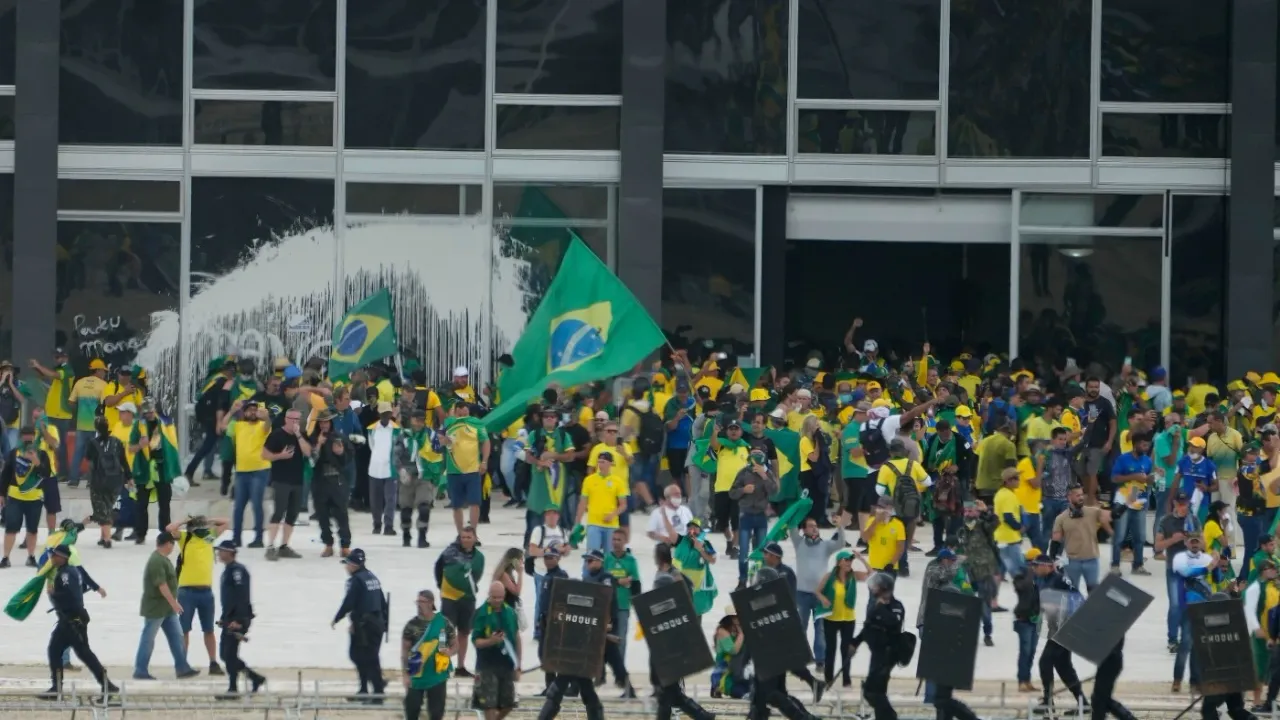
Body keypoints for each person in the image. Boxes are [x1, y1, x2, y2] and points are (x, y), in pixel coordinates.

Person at [43, 543, 117, 700]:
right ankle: (57, 688)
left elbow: (71, 596)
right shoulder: (70, 571)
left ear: (62, 557)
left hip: (72, 620)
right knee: (56, 650)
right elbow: (80, 589)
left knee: (84, 654)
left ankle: (108, 686)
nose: (52, 557)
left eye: (54, 555)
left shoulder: (65, 574)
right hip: (69, 619)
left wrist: (54, 594)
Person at [165, 515, 228, 677]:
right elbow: (170, 529)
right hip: (186, 592)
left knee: (209, 630)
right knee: (184, 630)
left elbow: (225, 522)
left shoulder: (208, 538)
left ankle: (213, 662)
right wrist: (185, 521)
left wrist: (207, 520)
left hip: (206, 591)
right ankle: (182, 664)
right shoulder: (185, 538)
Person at [134, 532, 200, 680]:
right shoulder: (156, 561)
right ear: (168, 543)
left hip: (167, 609)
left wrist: (171, 605)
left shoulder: (163, 559)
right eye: (172, 544)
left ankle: (182, 667)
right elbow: (161, 585)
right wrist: (174, 603)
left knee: (177, 637)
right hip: (156, 608)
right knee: (148, 638)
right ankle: (140, 669)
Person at [333, 548, 389, 704]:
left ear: (353, 565)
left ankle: (377, 690)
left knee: (364, 657)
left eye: (348, 564)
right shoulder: (372, 577)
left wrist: (337, 618)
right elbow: (382, 601)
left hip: (365, 625)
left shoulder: (356, 580)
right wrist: (384, 623)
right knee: (366, 657)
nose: (346, 567)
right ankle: (366, 688)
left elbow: (349, 602)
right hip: (375, 623)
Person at [791, 515, 846, 668]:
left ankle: (820, 660)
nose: (814, 528)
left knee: (820, 628)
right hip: (801, 593)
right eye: (810, 526)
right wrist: (798, 509)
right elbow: (791, 526)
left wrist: (840, 526)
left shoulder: (825, 546)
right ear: (804, 530)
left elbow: (841, 543)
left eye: (815, 525)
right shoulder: (799, 543)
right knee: (801, 627)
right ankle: (800, 658)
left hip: (820, 594)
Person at [215, 540, 265, 698]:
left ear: (230, 553)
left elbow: (242, 597)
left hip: (238, 618)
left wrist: (238, 620)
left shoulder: (237, 571)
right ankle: (255, 678)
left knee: (229, 654)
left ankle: (233, 688)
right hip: (230, 618)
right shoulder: (228, 570)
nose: (219, 553)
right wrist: (224, 618)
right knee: (225, 655)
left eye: (221, 551)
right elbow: (229, 599)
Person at [219, 399, 271, 548]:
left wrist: (266, 416)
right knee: (238, 506)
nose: (252, 412)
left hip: (259, 470)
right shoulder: (238, 426)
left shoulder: (262, 425)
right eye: (249, 410)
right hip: (241, 472)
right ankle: (236, 538)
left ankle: (259, 538)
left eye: (255, 410)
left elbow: (268, 426)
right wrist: (231, 411)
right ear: (244, 412)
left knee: (256, 505)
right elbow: (222, 426)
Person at [854, 572, 907, 720]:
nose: (873, 588)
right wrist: (855, 643)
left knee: (872, 691)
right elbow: (867, 627)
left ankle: (890, 716)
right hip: (876, 653)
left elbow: (894, 623)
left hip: (888, 654)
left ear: (884, 588)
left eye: (876, 585)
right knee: (877, 690)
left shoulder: (896, 606)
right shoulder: (875, 606)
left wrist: (881, 608)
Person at [816, 549, 870, 688]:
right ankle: (828, 679)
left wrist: (861, 559)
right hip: (831, 618)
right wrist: (823, 599)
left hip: (848, 619)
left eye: (850, 560)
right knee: (831, 650)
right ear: (839, 562)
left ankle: (846, 680)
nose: (849, 562)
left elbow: (871, 574)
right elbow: (817, 591)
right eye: (846, 560)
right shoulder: (830, 576)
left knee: (846, 649)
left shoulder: (853, 576)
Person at [1156, 492, 1202, 655]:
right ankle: (1172, 639)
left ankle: (1188, 637)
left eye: (1185, 504)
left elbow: (1202, 543)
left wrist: (1193, 541)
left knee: (1191, 604)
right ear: (1175, 503)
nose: (1183, 507)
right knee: (1175, 605)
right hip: (1174, 569)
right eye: (1180, 504)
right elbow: (1158, 546)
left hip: (1191, 568)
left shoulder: (1194, 520)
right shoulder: (1166, 521)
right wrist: (1174, 540)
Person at [435, 526, 485, 677]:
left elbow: (477, 575)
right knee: (444, 632)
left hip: (468, 598)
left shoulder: (479, 557)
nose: (465, 540)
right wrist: (442, 586)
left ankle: (460, 666)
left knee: (464, 632)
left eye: (469, 537)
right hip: (449, 598)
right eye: (463, 537)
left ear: (475, 539)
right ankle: (441, 664)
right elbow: (438, 568)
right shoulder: (449, 552)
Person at [262, 408, 311, 559]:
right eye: (293, 419)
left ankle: (284, 545)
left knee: (293, 514)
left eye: (298, 420)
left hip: (297, 480)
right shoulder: (277, 434)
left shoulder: (301, 435)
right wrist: (280, 456)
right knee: (279, 511)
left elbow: (308, 452)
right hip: (281, 479)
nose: (296, 422)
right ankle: (270, 546)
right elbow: (264, 455)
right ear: (286, 419)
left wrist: (298, 435)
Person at [402, 589, 456, 720]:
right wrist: (405, 673)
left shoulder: (443, 622)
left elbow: (455, 644)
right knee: (412, 710)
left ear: (431, 603)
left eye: (422, 601)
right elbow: (405, 650)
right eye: (417, 602)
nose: (419, 605)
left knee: (436, 713)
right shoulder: (411, 625)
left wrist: (449, 652)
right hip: (417, 672)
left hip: (437, 674)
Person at [730, 447, 778, 588]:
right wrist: (743, 490)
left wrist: (764, 477)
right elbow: (732, 492)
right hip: (746, 515)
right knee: (744, 550)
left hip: (761, 515)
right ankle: (743, 579)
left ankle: (761, 577)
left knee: (762, 550)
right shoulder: (743, 473)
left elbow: (775, 491)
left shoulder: (767, 473)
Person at [474, 581, 521, 720]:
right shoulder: (481, 614)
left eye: (500, 597)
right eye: (494, 597)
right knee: (489, 705)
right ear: (489, 595)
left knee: (509, 704)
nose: (498, 600)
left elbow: (517, 638)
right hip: (486, 665)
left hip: (507, 664)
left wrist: (518, 665)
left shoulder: (511, 613)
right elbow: (476, 641)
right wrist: (491, 641)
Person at [1051, 485, 1112, 592]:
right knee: (1071, 592)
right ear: (1069, 497)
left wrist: (1126, 504)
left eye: (1082, 494)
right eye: (1078, 495)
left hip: (1092, 560)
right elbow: (1055, 541)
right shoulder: (1061, 518)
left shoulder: (1093, 512)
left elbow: (1113, 515)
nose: (1081, 497)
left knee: (1093, 593)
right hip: (1072, 562)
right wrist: (1052, 560)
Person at [2, 435, 52, 567]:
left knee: (32, 529)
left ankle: (31, 556)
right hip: (15, 498)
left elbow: (46, 474)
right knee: (11, 528)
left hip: (34, 498)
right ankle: (5, 557)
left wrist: (37, 463)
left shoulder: (42, 454)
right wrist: (1, 493)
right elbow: (6, 474)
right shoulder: (14, 453)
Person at [311, 408, 353, 557]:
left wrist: (340, 453)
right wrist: (318, 445)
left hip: (337, 481)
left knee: (341, 514)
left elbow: (348, 459)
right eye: (321, 422)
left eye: (326, 422)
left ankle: (345, 545)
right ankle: (328, 544)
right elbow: (311, 461)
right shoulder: (314, 438)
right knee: (322, 515)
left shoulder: (339, 437)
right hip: (320, 481)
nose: (324, 425)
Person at [443, 402, 490, 535]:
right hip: (454, 470)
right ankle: (460, 534)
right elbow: (439, 440)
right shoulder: (448, 424)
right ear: (455, 412)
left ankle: (473, 533)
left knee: (474, 502)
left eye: (465, 414)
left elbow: (486, 441)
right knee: (456, 505)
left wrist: (484, 461)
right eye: (460, 414)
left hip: (473, 469)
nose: (463, 417)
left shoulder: (476, 423)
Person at [399, 410, 441, 548]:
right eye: (416, 420)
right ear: (411, 420)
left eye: (421, 420)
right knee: (406, 509)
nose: (419, 423)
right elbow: (396, 454)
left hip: (425, 475)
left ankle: (422, 536)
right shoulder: (404, 435)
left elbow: (438, 453)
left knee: (424, 507)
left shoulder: (431, 435)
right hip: (408, 476)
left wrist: (437, 475)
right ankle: (406, 534)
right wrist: (400, 470)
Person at [576, 451, 629, 559]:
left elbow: (623, 505)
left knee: (610, 556)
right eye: (599, 462)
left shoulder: (618, 481)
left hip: (611, 525)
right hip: (594, 523)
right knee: (592, 555)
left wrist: (613, 514)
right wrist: (577, 522)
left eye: (603, 462)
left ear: (610, 464)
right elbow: (582, 502)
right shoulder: (589, 480)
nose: (600, 465)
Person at [603, 529, 641, 662]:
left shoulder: (631, 561)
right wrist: (620, 581)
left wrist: (638, 606)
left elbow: (636, 584)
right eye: (613, 539)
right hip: (606, 606)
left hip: (623, 605)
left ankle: (620, 670)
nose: (616, 542)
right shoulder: (606, 558)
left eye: (619, 540)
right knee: (603, 639)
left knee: (621, 638)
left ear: (625, 541)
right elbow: (602, 579)